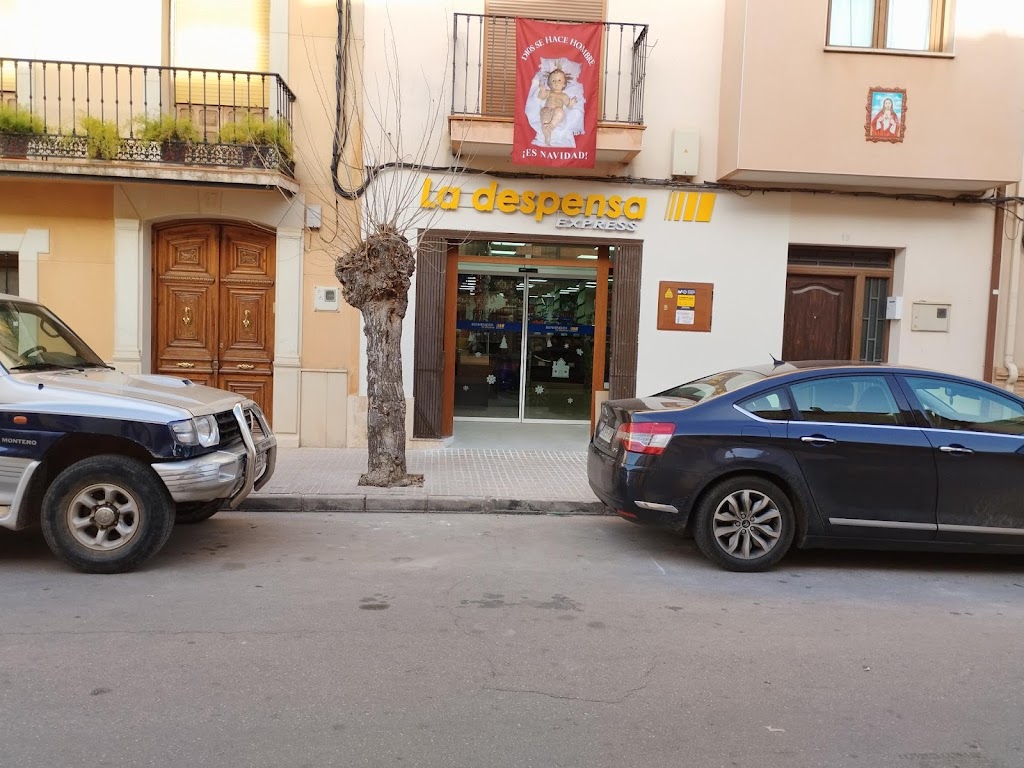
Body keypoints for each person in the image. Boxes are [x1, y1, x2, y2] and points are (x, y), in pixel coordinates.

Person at [535, 68, 577, 146]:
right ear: (550, 84)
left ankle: (551, 125)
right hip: (546, 110)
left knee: (560, 112)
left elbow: (568, 106)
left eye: (559, 80)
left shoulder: (563, 95)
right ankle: (547, 136)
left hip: (556, 111)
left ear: (564, 84)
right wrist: (542, 90)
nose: (556, 83)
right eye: (553, 81)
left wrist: (571, 104)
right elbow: (541, 97)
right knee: (545, 122)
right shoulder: (549, 92)